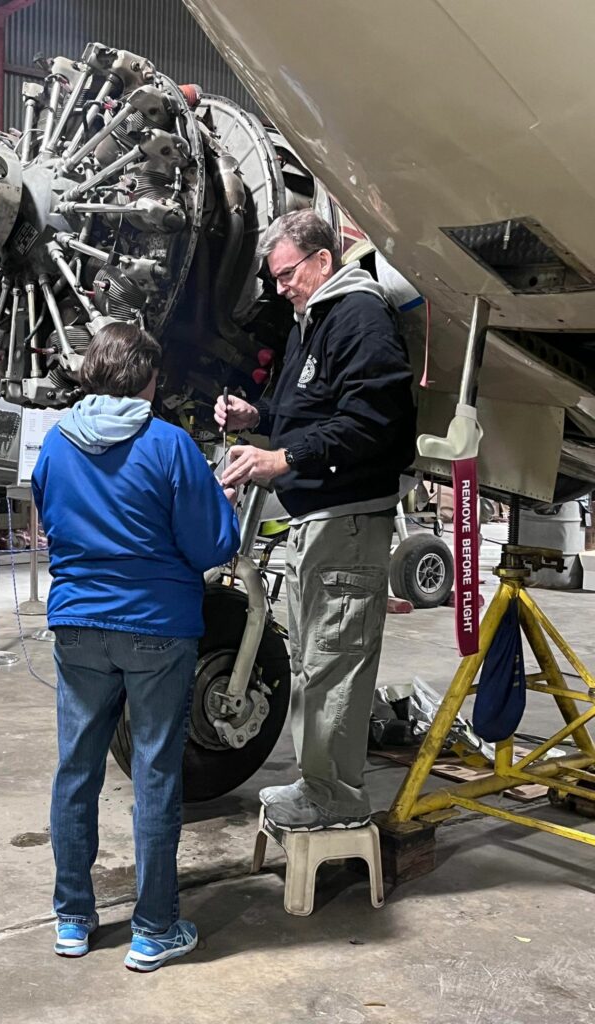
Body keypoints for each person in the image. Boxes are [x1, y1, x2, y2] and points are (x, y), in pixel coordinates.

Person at [32, 323, 239, 971]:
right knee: (154, 774)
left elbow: (50, 519)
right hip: (157, 628)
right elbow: (212, 547)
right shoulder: (169, 445)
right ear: (148, 380)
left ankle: (72, 917)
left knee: (76, 770)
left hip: (78, 627)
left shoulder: (54, 445)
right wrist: (220, 504)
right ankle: (153, 930)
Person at [216, 210, 416, 831]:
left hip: (348, 519)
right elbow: (303, 409)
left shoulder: (358, 314)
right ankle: (317, 784)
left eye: (286, 274)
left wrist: (282, 456)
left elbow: (374, 422)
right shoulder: (317, 320)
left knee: (335, 659)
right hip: (320, 519)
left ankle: (335, 797)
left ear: (322, 261)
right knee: (314, 658)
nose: (280, 288)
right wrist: (258, 417)